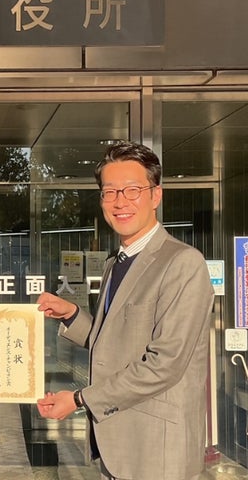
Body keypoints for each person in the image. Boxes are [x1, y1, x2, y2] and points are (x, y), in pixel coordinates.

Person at [36, 141, 214, 480]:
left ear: (156, 195)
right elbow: (117, 343)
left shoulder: (182, 263)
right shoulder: (115, 263)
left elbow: (164, 365)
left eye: (132, 190)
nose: (120, 202)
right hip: (117, 444)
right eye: (110, 192)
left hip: (157, 451)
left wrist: (79, 400)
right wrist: (71, 315)